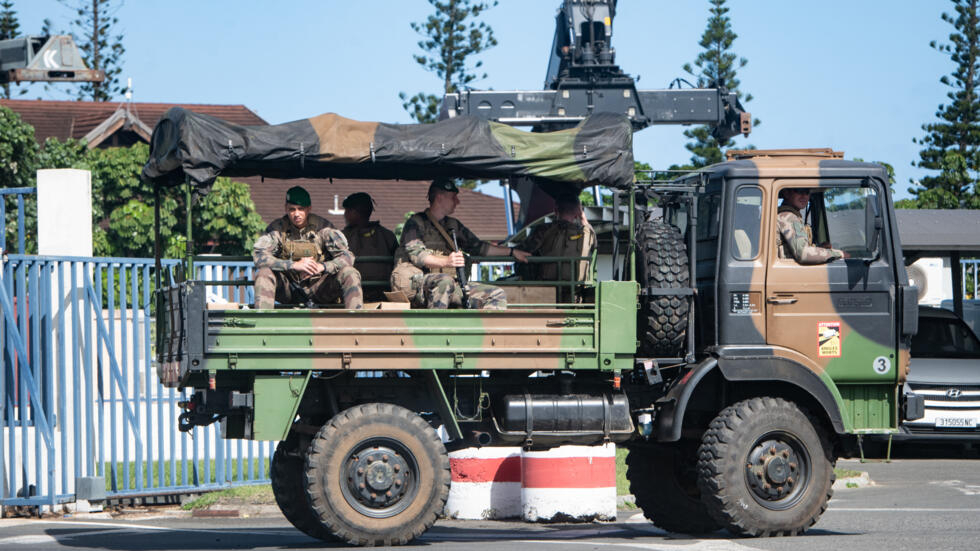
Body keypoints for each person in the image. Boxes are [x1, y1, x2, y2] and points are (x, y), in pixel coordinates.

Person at [391, 179, 531, 309]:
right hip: (419, 286)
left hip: (450, 285)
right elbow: (418, 255)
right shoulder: (416, 223)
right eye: (453, 197)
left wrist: (512, 252)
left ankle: (487, 334)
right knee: (444, 282)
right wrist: (447, 261)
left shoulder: (453, 225)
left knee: (496, 294)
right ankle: (436, 331)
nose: (457, 202)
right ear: (440, 197)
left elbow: (479, 248)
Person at [252, 186, 363, 309]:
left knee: (350, 273)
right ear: (286, 209)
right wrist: (293, 265)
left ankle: (356, 322)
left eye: (301, 209)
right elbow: (259, 256)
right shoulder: (277, 229)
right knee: (263, 273)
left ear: (309, 209)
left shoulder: (323, 228)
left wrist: (322, 267)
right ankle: (263, 322)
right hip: (290, 289)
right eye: (292, 209)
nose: (296, 214)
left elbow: (347, 257)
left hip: (319, 288)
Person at [518, 193, 596, 300]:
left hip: (545, 293)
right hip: (575, 294)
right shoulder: (588, 234)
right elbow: (593, 240)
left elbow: (523, 251)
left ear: (555, 211)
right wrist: (582, 215)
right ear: (578, 212)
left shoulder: (544, 230)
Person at [341, 192, 398, 302]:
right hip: (378, 296)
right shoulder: (388, 235)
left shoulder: (342, 237)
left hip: (353, 296)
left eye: (347, 210)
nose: (345, 214)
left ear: (355, 212)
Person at [776, 188, 846, 264]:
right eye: (799, 191)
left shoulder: (786, 215)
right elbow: (803, 253)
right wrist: (839, 254)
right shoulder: (788, 217)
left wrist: (820, 249)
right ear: (786, 193)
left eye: (807, 192)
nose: (804, 196)